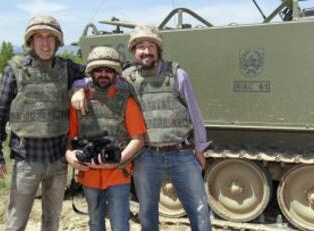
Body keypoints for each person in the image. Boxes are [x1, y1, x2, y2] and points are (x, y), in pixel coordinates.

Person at [71, 25, 212, 231]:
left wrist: (200, 148)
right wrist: (78, 88)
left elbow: (194, 112)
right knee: (147, 213)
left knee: (199, 209)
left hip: (181, 152)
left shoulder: (178, 75)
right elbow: (96, 78)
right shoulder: (127, 78)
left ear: (158, 49)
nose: (146, 51)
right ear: (133, 52)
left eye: (150, 46)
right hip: (146, 156)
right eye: (140, 47)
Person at [0, 15, 85, 231]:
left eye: (50, 37)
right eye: (39, 37)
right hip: (26, 159)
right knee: (16, 221)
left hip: (58, 159)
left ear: (58, 41)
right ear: (30, 41)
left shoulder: (67, 68)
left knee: (52, 221)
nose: (45, 42)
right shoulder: (14, 69)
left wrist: (79, 85)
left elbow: (98, 71)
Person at [65, 46, 146, 231]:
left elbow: (138, 139)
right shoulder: (80, 101)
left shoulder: (126, 100)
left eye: (108, 70)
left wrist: (118, 161)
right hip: (89, 174)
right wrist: (70, 155)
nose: (103, 74)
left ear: (116, 74)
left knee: (120, 225)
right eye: (98, 70)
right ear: (90, 73)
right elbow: (70, 138)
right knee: (95, 223)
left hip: (118, 174)